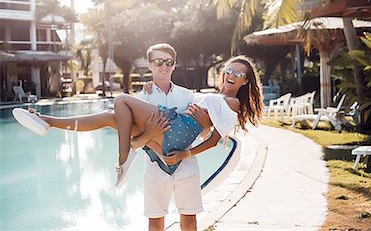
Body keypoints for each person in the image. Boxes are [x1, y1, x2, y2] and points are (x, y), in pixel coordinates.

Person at [12, 43, 264, 231]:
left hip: (181, 153)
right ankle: (47, 122)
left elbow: (211, 132)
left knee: (119, 103)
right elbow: (138, 140)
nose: (232, 74)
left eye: (239, 74)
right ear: (150, 65)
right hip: (159, 154)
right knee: (110, 116)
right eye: (229, 69)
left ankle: (122, 160)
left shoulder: (198, 96)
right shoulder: (149, 97)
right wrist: (149, 132)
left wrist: (186, 148)